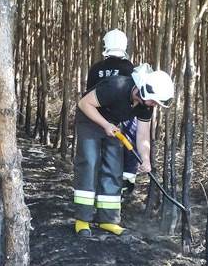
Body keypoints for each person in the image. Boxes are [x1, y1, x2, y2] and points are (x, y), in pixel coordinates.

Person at [73, 60, 175, 237]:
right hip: (90, 120)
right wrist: (105, 124)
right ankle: (83, 219)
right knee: (89, 164)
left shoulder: (146, 106)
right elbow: (84, 104)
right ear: (144, 89)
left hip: (111, 124)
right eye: (154, 101)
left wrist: (146, 159)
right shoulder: (117, 86)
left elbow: (142, 135)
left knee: (113, 167)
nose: (154, 105)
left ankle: (108, 220)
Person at [85, 29, 138, 196]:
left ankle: (97, 186)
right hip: (121, 119)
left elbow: (89, 95)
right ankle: (127, 179)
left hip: (98, 118)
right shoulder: (130, 69)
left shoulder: (96, 69)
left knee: (97, 157)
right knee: (129, 141)